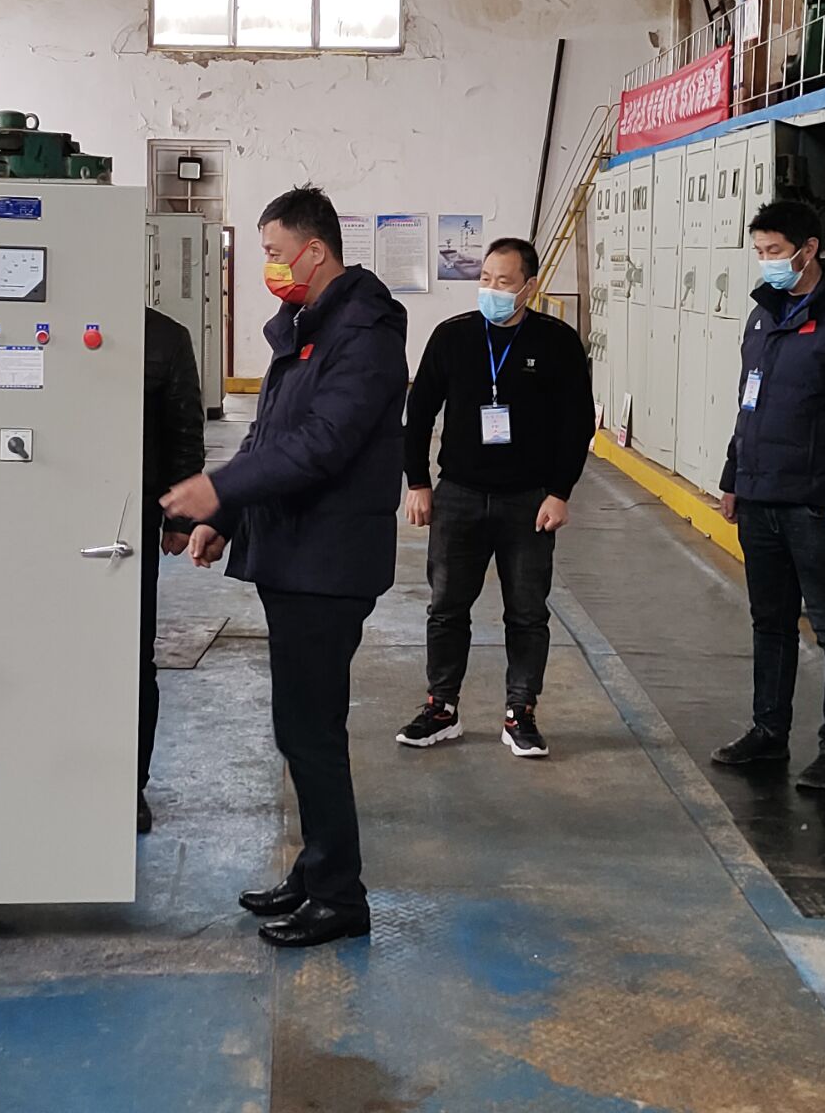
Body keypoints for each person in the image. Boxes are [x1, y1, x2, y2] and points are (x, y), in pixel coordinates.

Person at [162, 185, 407, 949]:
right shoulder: (309, 329)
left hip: (327, 564)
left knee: (310, 731)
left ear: (315, 250)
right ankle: (315, 869)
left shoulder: (363, 334)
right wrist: (227, 517)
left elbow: (322, 445)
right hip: (296, 554)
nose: (268, 265)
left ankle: (339, 896)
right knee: (299, 728)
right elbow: (271, 434)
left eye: (273, 252)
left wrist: (218, 489)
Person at [713, 200, 825, 792]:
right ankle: (769, 732)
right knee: (770, 622)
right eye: (759, 252)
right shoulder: (764, 314)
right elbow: (749, 404)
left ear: (809, 249)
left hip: (817, 504)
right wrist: (733, 478)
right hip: (760, 496)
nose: (766, 262)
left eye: (774, 251)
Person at [398, 237, 596, 758]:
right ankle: (442, 707)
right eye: (485, 279)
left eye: (504, 282)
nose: (491, 289)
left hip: (528, 503)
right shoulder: (453, 336)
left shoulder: (557, 342)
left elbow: (577, 423)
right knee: (446, 608)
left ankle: (520, 713)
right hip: (458, 496)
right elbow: (418, 413)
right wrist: (417, 482)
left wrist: (560, 492)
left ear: (529, 287)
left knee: (527, 613)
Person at [140, 305, 206, 834]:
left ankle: (130, 785)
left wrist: (180, 518)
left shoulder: (162, 337)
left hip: (129, 524)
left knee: (134, 658)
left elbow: (185, 429)